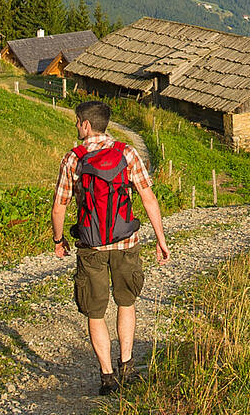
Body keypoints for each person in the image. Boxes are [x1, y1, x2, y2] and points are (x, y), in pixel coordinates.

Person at [51, 100, 171, 395]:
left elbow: (59, 206)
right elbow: (148, 198)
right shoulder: (127, 153)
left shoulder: (73, 159)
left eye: (78, 122)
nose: (77, 126)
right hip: (125, 241)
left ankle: (107, 377)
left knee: (95, 312)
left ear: (87, 125)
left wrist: (58, 239)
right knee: (126, 303)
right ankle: (127, 366)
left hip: (90, 245)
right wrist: (161, 239)